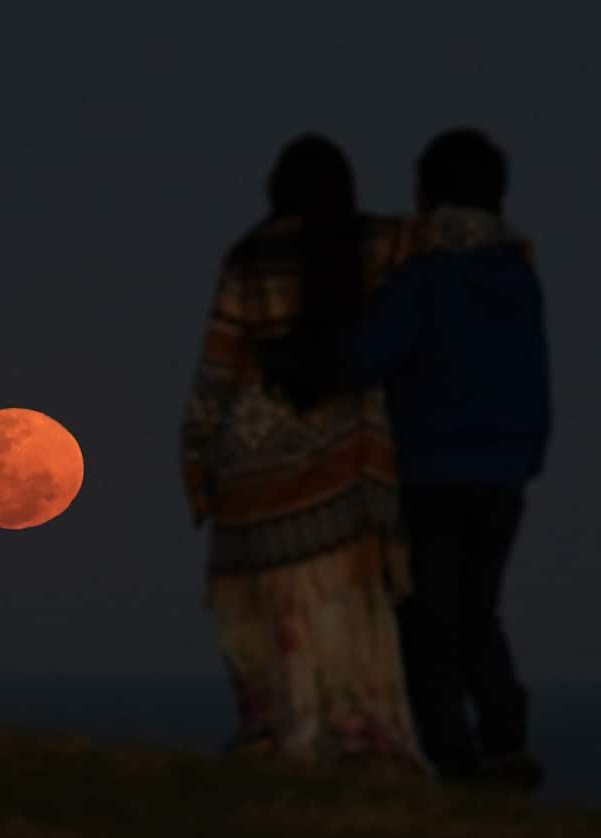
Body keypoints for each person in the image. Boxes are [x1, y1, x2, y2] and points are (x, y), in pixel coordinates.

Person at [271, 129, 552, 787]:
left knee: (427, 617)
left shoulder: (424, 279)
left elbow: (368, 356)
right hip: (503, 472)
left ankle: (453, 758)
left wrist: (299, 366)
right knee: (480, 611)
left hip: (430, 470)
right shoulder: (518, 277)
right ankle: (506, 740)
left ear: (430, 194)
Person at [180, 135, 430, 775]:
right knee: (347, 608)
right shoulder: (382, 242)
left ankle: (276, 733)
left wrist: (196, 458)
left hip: (252, 467)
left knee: (266, 612)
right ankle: (358, 736)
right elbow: (450, 250)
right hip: (344, 460)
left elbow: (218, 369)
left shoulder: (249, 256)